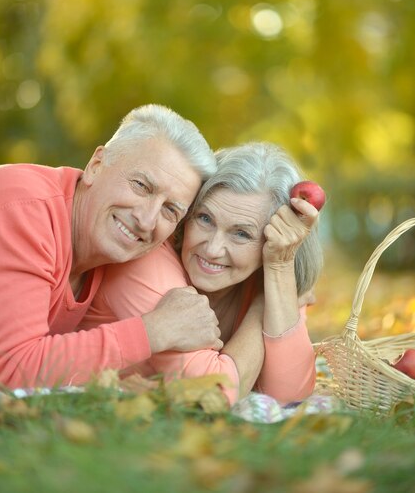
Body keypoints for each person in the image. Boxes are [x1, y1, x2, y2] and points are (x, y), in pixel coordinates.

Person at [0, 104, 224, 389]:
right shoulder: (24, 208)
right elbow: (11, 368)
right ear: (96, 166)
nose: (146, 220)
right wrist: (155, 330)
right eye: (141, 185)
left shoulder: (103, 250)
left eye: (170, 210)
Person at [81, 142, 323, 405]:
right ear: (187, 216)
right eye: (205, 219)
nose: (212, 248)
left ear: (276, 241)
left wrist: (279, 270)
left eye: (241, 234)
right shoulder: (144, 261)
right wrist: (263, 304)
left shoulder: (275, 267)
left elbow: (291, 395)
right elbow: (213, 392)